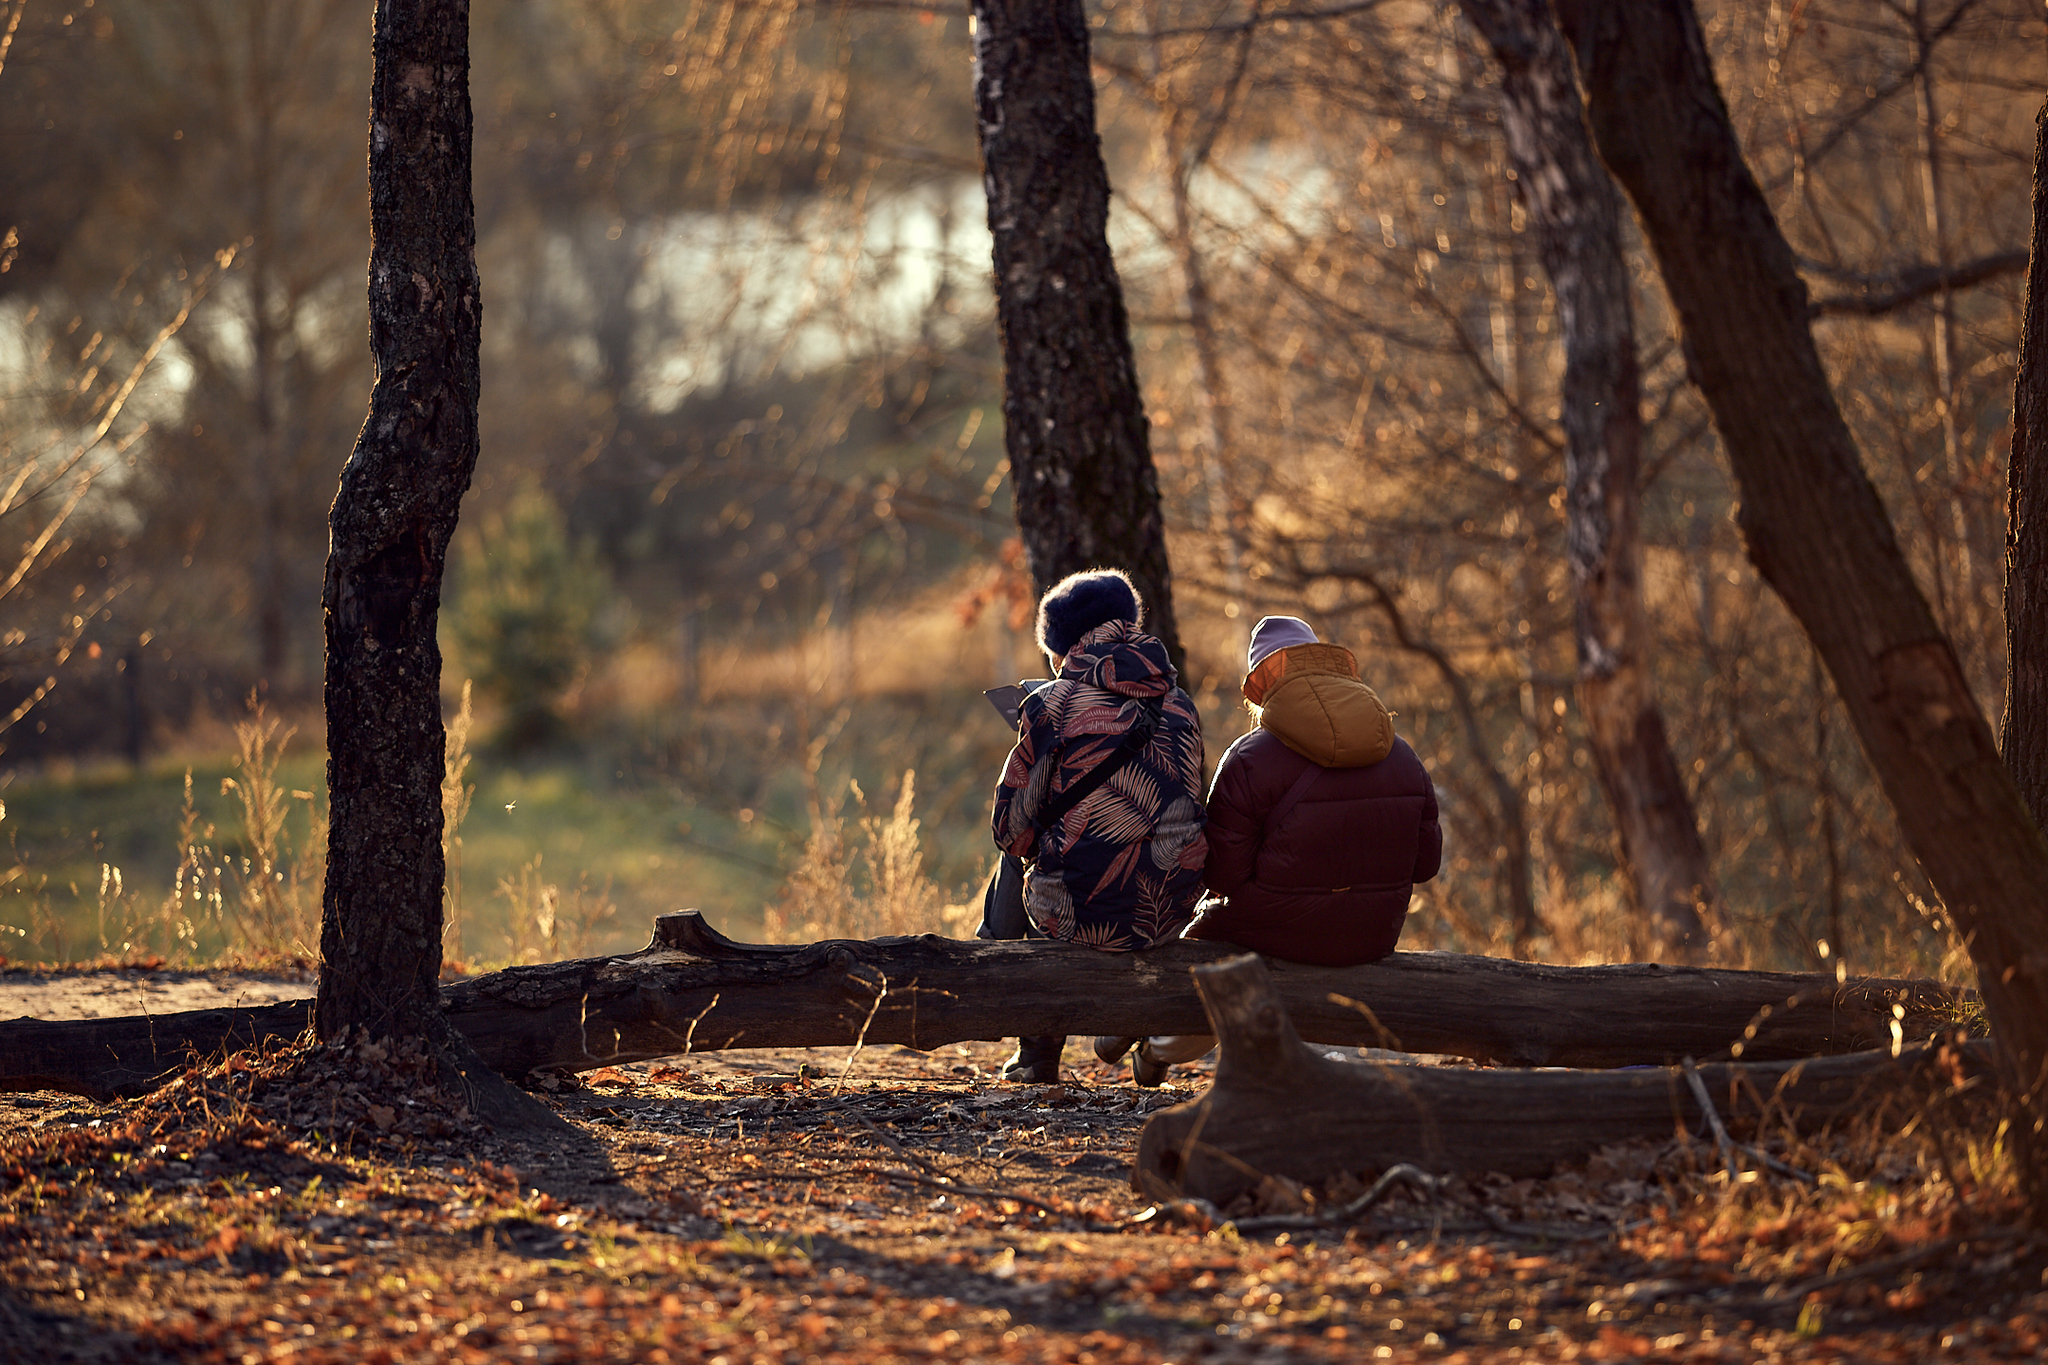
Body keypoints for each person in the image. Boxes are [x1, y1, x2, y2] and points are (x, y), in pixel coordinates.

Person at [1096, 614, 1441, 1085]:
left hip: (1279, 931)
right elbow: (1426, 863)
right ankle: (1146, 1039)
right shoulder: (1400, 752)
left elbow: (1224, 876)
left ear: (1264, 684)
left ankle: (1150, 1040)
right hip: (1373, 934)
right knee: (1224, 944)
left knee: (1207, 945)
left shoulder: (1249, 758)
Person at [979, 568, 1208, 1083]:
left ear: (1059, 647)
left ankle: (1035, 1048)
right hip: (1171, 908)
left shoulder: (1051, 705)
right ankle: (1142, 1042)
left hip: (1085, 913)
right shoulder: (1180, 702)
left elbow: (1008, 831)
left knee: (1025, 856)